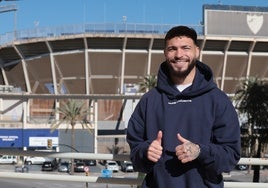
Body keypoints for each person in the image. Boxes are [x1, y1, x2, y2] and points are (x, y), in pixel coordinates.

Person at [126, 25, 241, 188]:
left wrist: (200, 152)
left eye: (185, 48)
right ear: (165, 53)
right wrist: (146, 152)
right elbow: (135, 152)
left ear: (197, 51)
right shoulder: (149, 100)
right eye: (172, 49)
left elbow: (230, 155)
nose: (179, 55)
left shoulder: (218, 100)